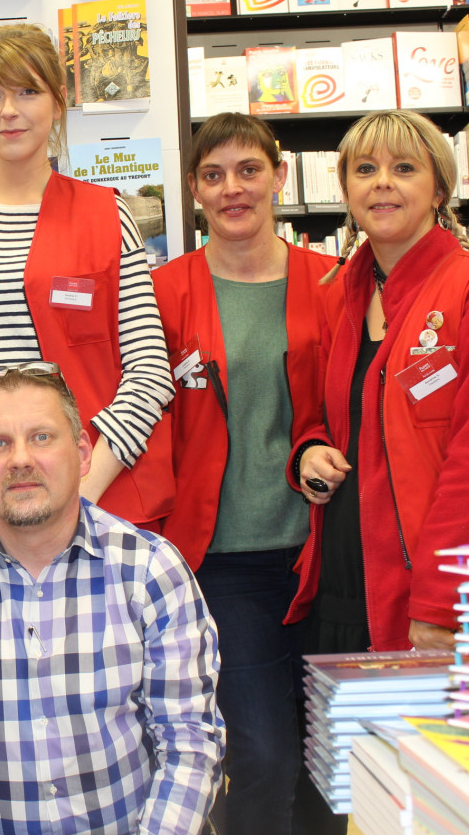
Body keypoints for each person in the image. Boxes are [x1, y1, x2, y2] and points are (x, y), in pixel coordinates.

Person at [0, 364, 224, 835]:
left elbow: (189, 742)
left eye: (41, 437)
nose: (21, 459)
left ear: (82, 454)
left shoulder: (151, 571)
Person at [0, 22, 175, 540]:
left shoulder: (107, 214)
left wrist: (73, 502)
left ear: (58, 102)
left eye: (28, 91)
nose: (9, 110)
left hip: (102, 502)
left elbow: (149, 375)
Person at [294, 109, 469, 661]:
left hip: (436, 592)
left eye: (404, 167)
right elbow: (325, 418)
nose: (382, 182)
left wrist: (440, 600)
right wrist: (309, 451)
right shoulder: (341, 294)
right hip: (346, 578)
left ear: (438, 191)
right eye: (364, 169)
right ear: (346, 191)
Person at [153, 112, 335, 835]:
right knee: (261, 753)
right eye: (214, 174)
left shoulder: (336, 282)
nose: (233, 189)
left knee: (333, 751)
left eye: (248, 170)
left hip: (325, 555)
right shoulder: (165, 293)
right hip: (223, 563)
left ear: (279, 176)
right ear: (195, 189)